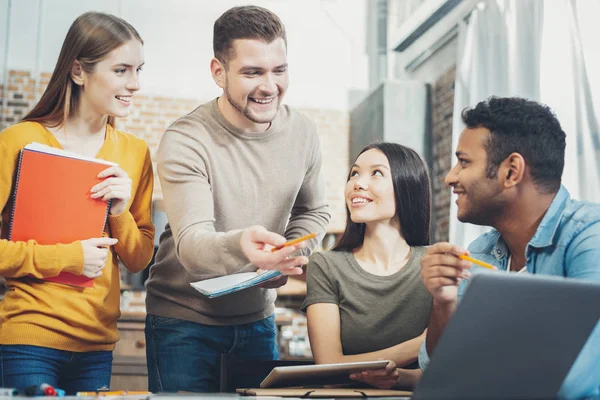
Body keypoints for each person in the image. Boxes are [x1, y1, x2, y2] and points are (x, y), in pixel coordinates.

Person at [144, 5, 330, 393]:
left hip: (258, 320)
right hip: (183, 324)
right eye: (252, 72)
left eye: (279, 70)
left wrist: (293, 253)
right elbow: (193, 245)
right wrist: (244, 246)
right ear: (218, 72)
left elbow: (314, 210)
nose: (269, 86)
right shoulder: (187, 139)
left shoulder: (304, 133)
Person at [0, 12, 155, 394]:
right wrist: (67, 258)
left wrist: (119, 213)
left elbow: (139, 258)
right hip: (28, 340)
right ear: (78, 71)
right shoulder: (20, 142)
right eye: (121, 70)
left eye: (138, 70)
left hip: (98, 347)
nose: (134, 84)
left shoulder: (135, 152)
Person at [419, 96, 600, 398]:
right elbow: (439, 369)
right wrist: (444, 302)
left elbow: (579, 379)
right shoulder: (481, 251)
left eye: (464, 162)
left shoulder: (589, 235)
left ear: (512, 171)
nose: (451, 177)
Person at [303, 142, 432, 390]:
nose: (357, 184)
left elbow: (451, 366)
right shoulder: (326, 265)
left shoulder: (434, 263)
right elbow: (328, 364)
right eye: (354, 173)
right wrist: (421, 345)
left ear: (407, 185)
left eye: (376, 173)